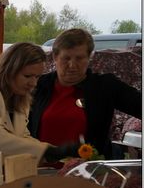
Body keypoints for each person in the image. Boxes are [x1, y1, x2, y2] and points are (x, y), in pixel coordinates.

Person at [28, 28, 142, 159]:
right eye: (66, 58)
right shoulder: (36, 86)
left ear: (89, 57)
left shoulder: (105, 87)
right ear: (55, 57)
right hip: (40, 167)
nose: (72, 65)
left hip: (88, 168)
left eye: (79, 58)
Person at [0, 42, 71, 162]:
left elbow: (22, 137)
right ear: (8, 70)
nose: (33, 83)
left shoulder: (18, 97)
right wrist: (47, 151)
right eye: (27, 76)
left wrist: (56, 152)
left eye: (37, 77)